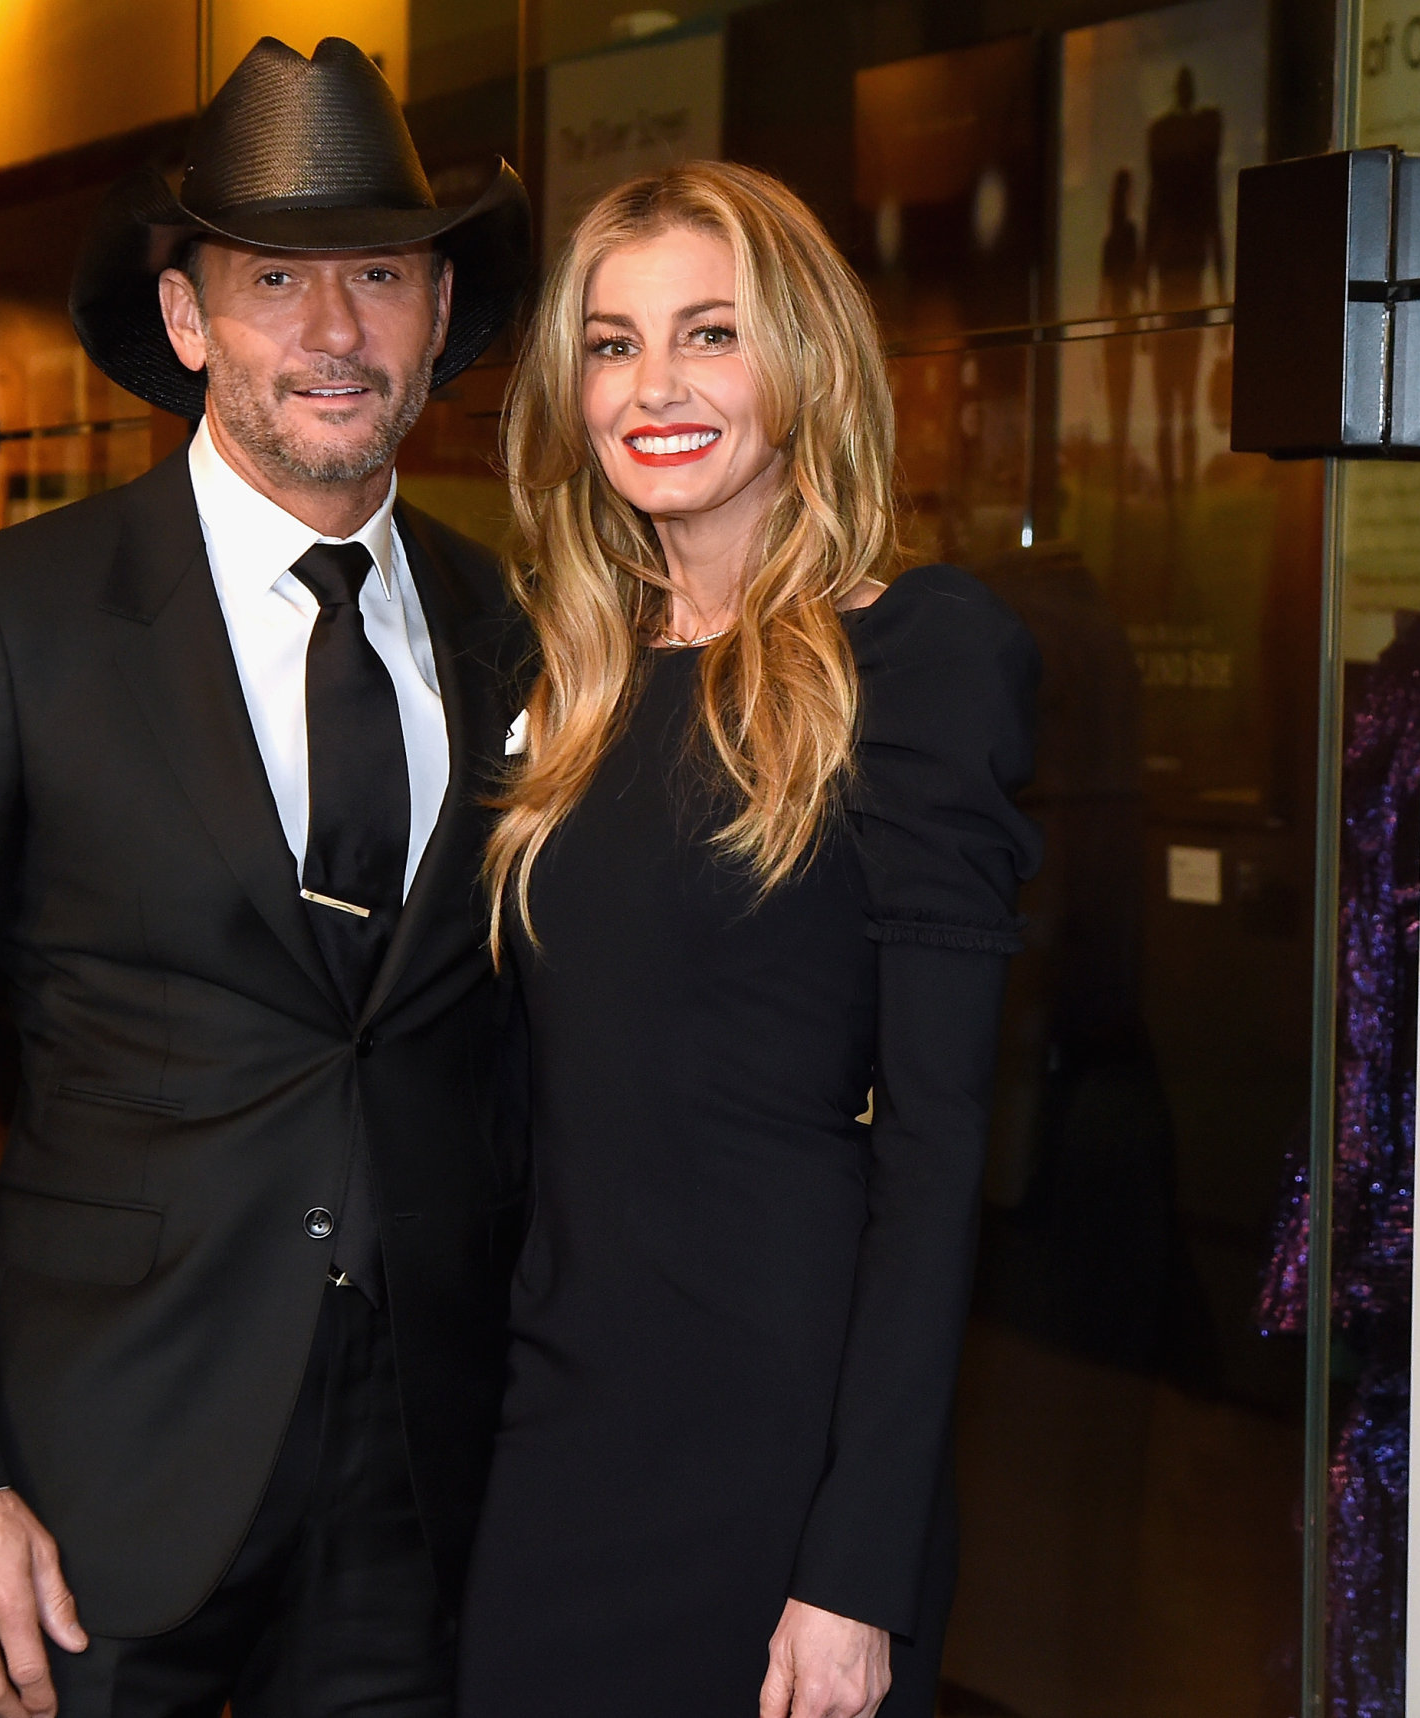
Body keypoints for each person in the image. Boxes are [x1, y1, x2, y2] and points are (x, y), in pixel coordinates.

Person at [0, 37, 532, 1718]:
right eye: (278, 277)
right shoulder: (11, 620)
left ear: (436, 316)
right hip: (87, 1498)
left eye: (380, 277)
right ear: (190, 319)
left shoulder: (515, 626)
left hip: (427, 1500)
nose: (335, 331)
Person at [456, 161, 1041, 1718]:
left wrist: (860, 1557)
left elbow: (937, 1147)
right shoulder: (560, 670)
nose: (654, 387)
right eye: (612, 341)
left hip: (784, 1450)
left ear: (804, 361)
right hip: (555, 1430)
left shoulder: (917, 665)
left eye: (710, 335)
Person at [1143, 66, 1223, 498]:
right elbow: (1157, 203)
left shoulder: (1199, 131)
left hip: (1185, 274)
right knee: (1168, 402)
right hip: (1173, 276)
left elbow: (1210, 209)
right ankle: (1175, 492)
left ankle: (1185, 490)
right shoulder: (1166, 132)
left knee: (1184, 400)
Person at [1099, 167, 1143, 494]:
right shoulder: (1125, 235)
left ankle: (1118, 469)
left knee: (1119, 399)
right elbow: (1132, 283)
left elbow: (1105, 291)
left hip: (1118, 324)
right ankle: (1119, 471)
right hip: (1123, 323)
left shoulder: (1114, 237)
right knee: (1121, 399)